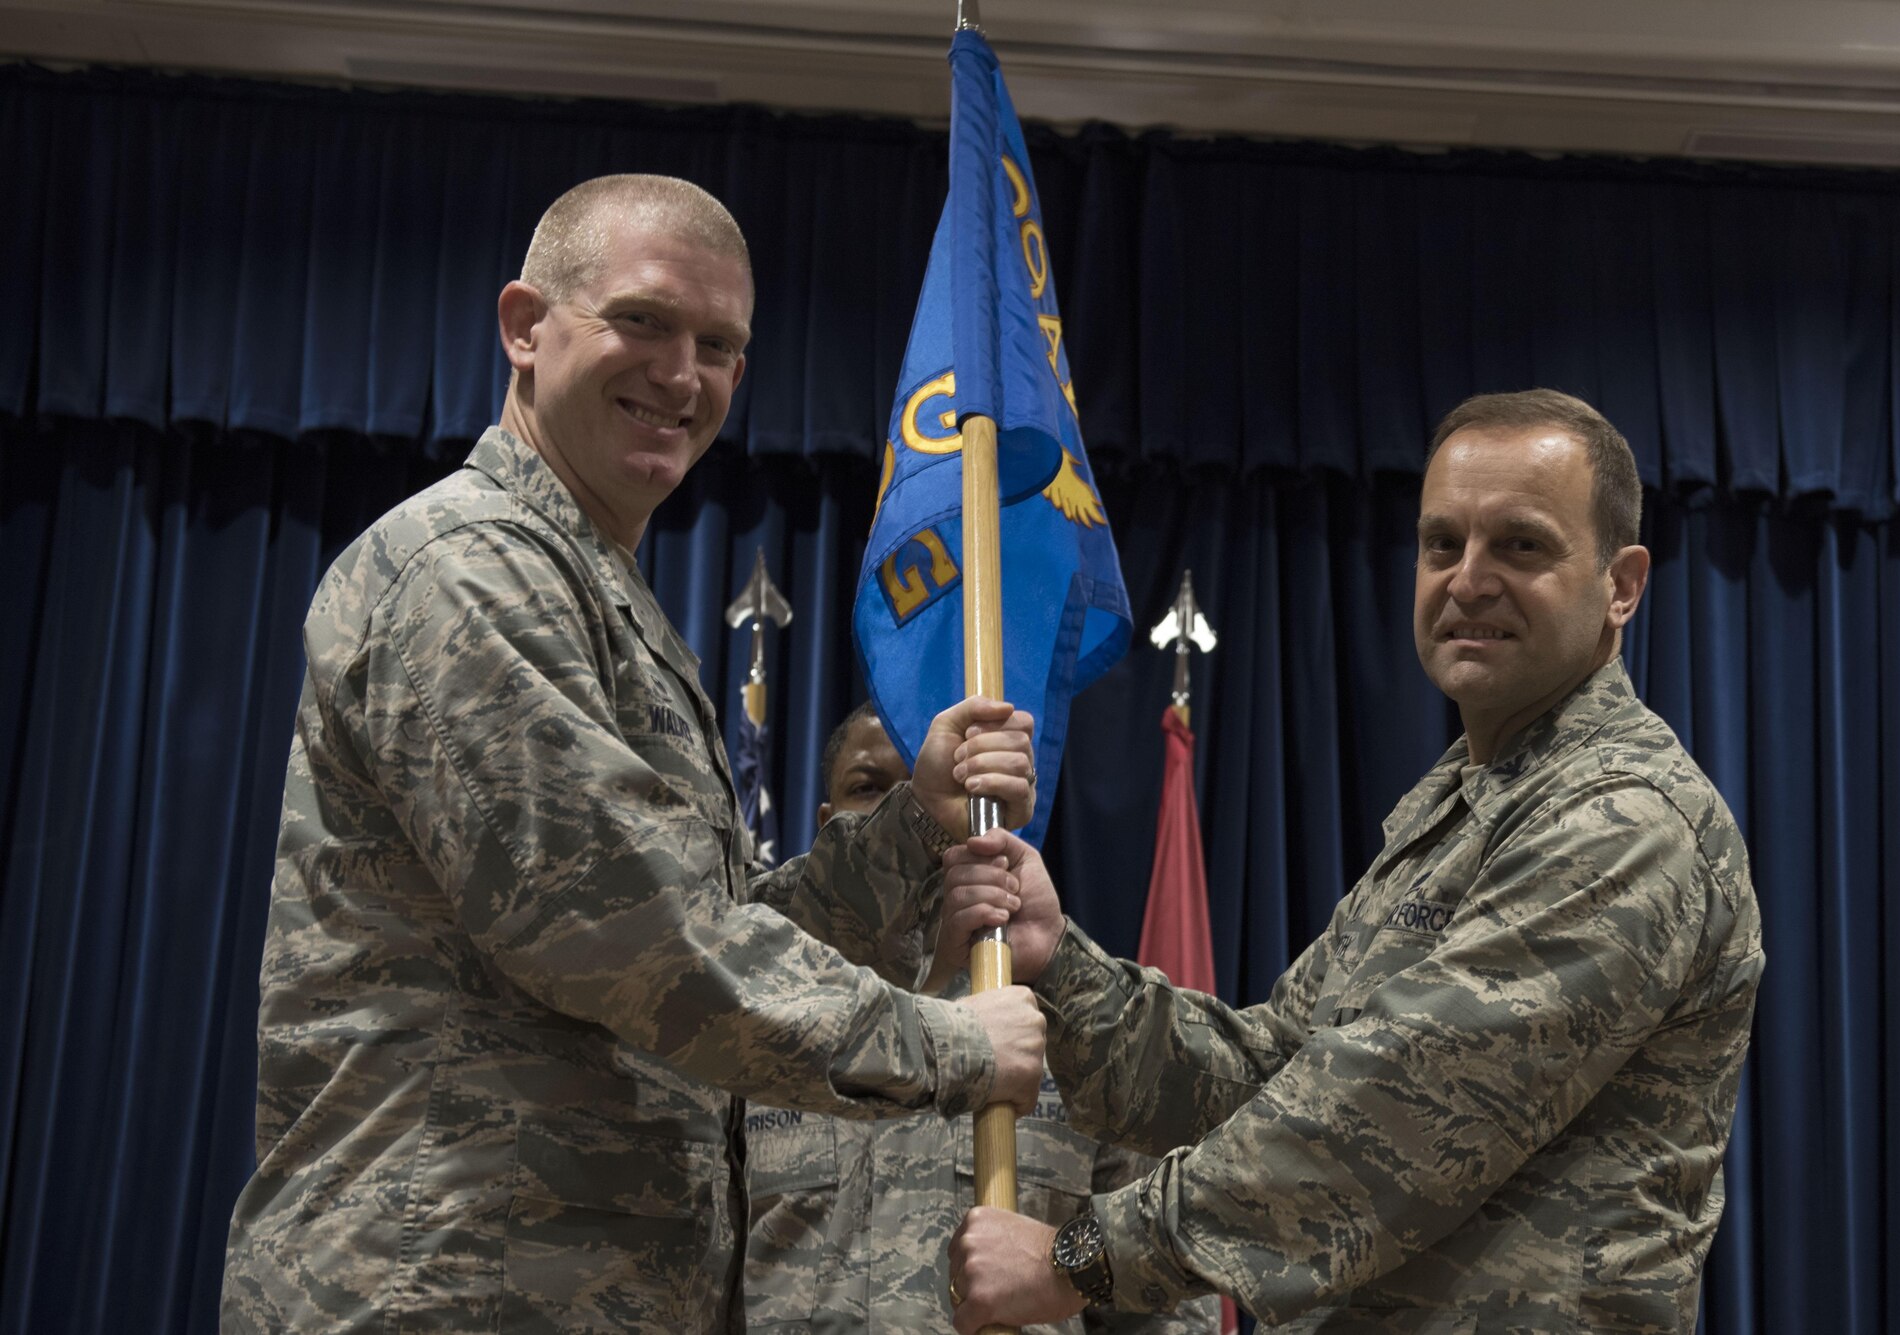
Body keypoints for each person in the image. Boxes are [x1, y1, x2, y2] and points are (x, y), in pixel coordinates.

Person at [220, 175, 1048, 1334]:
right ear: (525, 325)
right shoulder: (463, 568)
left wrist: (910, 827)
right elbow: (624, 936)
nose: (679, 375)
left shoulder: (597, 595)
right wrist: (951, 1048)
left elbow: (695, 923)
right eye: (643, 321)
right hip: (439, 1288)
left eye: (717, 345)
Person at [941, 390, 1765, 1334]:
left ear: (1623, 584)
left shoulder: (1625, 821)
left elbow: (1389, 1119)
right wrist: (1063, 966)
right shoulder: (1457, 807)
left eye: (1522, 545)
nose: (1468, 580)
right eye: (1442, 543)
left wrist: (1076, 1259)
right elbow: (1266, 1076)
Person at [741, 704, 1218, 1335]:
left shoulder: (1078, 1030)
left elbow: (1169, 1307)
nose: (910, 811)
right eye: (869, 790)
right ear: (829, 823)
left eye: (933, 788)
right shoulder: (758, 1015)